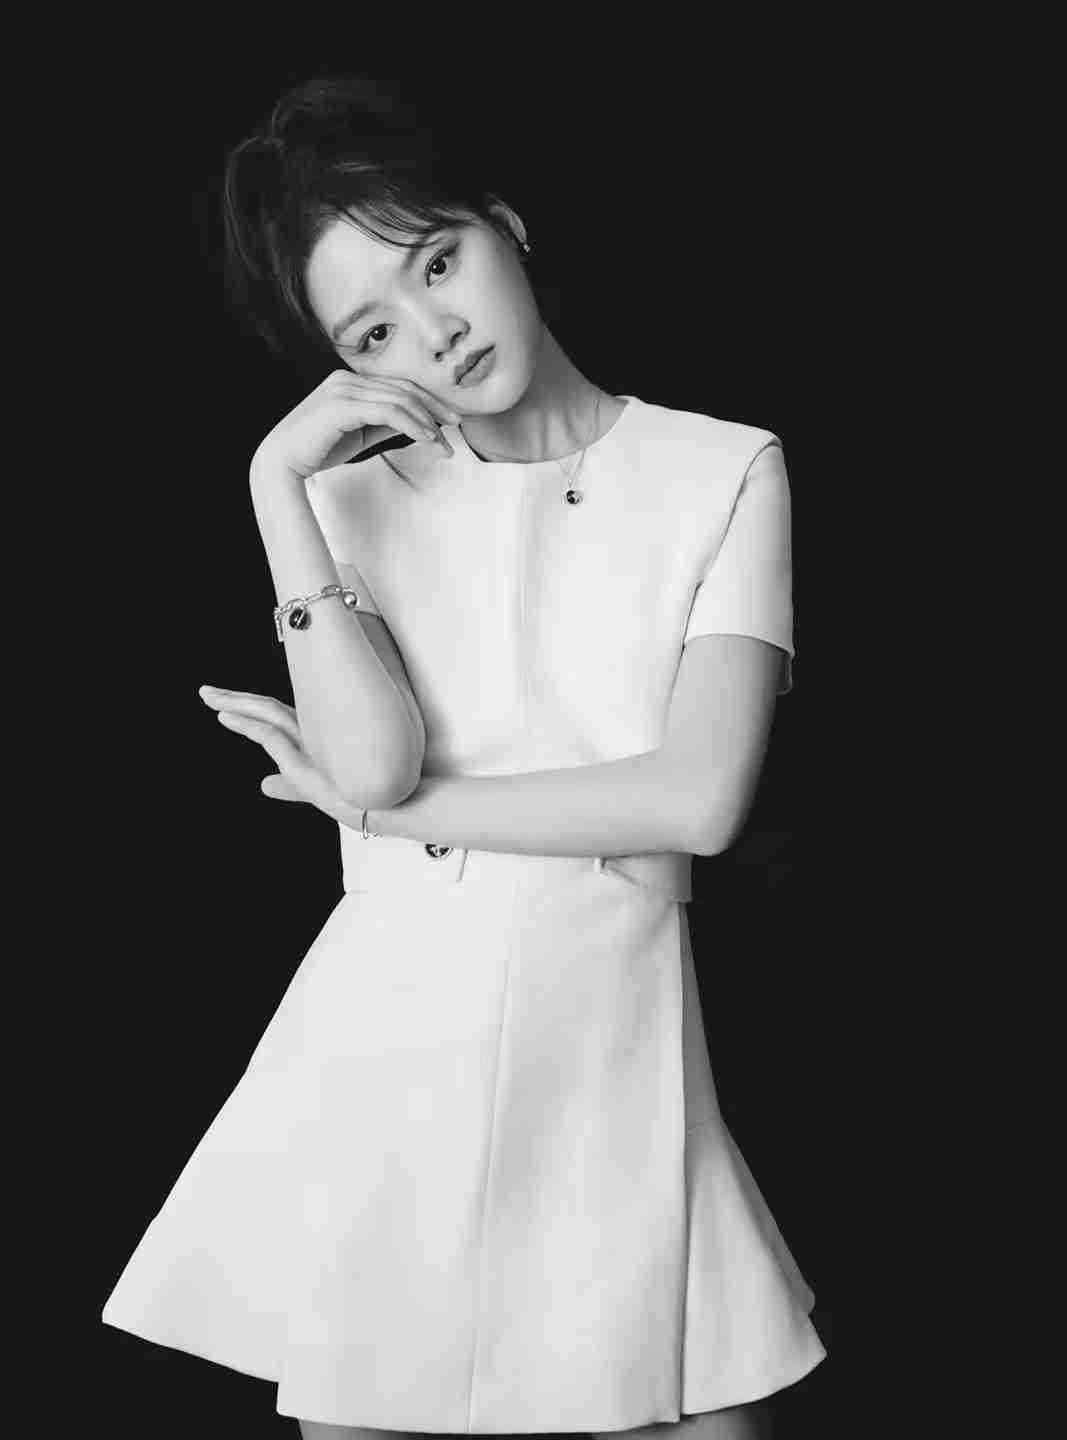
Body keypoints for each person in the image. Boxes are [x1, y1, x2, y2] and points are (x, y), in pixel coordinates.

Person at [100, 73, 826, 1440]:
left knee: (693, 1409)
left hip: (614, 1035)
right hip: (389, 1034)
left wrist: (397, 821)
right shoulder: (349, 496)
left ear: (508, 225)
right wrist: (276, 490)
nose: (433, 333)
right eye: (375, 330)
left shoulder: (722, 469)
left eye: (438, 263)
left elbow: (698, 800)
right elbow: (370, 764)